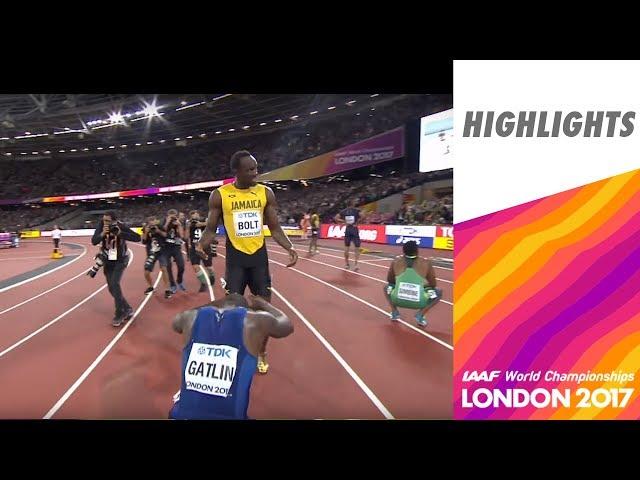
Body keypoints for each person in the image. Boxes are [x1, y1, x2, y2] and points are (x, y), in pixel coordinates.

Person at [196, 150, 298, 375]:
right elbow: (211, 229)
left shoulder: (265, 193)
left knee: (264, 312)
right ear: (237, 171)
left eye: (256, 168)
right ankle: (236, 350)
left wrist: (289, 246)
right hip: (236, 261)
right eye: (250, 169)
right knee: (234, 312)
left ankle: (261, 352)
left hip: (259, 260)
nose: (255, 172)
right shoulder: (220, 195)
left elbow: (275, 227)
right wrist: (201, 244)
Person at [169, 293, 293, 420]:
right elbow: (287, 325)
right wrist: (264, 304)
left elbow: (175, 324)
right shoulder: (254, 320)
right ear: (246, 310)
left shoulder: (189, 317)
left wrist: (211, 305)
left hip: (180, 415)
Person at [91, 211, 141, 327]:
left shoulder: (120, 226)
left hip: (120, 260)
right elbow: (94, 241)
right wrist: (102, 233)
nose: (105, 222)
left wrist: (121, 233)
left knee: (115, 284)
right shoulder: (101, 226)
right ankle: (127, 308)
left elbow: (137, 238)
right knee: (111, 288)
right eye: (104, 220)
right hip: (108, 260)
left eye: (108, 221)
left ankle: (119, 313)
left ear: (114, 220)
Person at [384, 240, 442, 327]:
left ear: (403, 251)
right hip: (419, 301)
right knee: (438, 292)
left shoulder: (396, 262)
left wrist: (402, 284)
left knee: (386, 287)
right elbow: (433, 284)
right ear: (417, 251)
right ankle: (420, 315)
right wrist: (421, 286)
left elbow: (390, 281)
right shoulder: (426, 263)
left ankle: (395, 312)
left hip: (397, 299)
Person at [186, 210, 216, 293]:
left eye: (195, 215)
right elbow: (186, 236)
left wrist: (201, 224)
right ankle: (203, 283)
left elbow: (210, 224)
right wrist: (188, 227)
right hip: (194, 247)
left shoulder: (204, 219)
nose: (194, 217)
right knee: (195, 266)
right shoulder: (189, 223)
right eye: (192, 216)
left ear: (198, 214)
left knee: (209, 267)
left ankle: (212, 276)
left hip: (204, 247)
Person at [159, 208, 186, 298]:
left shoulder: (178, 222)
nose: (173, 218)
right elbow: (163, 231)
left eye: (174, 216)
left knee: (181, 265)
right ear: (168, 216)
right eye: (171, 216)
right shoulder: (163, 221)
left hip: (176, 247)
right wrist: (167, 222)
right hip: (165, 247)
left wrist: (179, 225)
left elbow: (182, 236)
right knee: (168, 267)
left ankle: (180, 280)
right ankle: (172, 284)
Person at [334, 199, 361, 271]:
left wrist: (344, 222)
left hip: (348, 229)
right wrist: (357, 222)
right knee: (357, 247)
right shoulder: (356, 210)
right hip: (354, 229)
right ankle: (356, 264)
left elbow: (336, 218)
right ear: (352, 203)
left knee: (346, 247)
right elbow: (364, 216)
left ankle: (346, 264)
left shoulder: (343, 211)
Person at [141, 216, 164, 295]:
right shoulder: (146, 229)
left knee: (164, 268)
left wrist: (158, 231)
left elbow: (165, 235)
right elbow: (143, 241)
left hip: (161, 252)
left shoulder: (160, 227)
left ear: (156, 221)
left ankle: (168, 287)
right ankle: (151, 287)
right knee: (146, 272)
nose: (152, 222)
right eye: (150, 221)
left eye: (153, 220)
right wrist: (146, 232)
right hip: (151, 253)